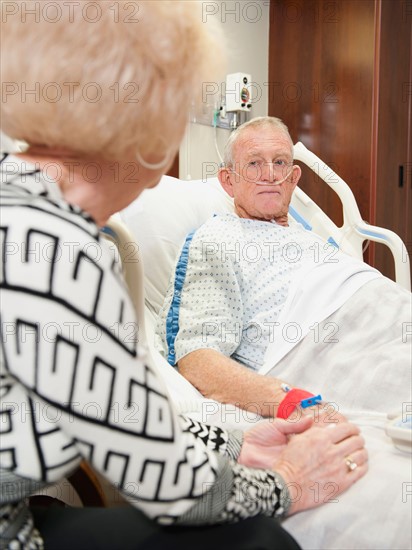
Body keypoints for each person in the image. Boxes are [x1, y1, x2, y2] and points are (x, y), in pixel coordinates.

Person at [0, 4, 368, 549]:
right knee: (263, 539)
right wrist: (287, 481)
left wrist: (238, 443)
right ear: (150, 133)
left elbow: (116, 411)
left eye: (280, 164)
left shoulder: (26, 207)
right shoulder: (57, 253)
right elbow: (166, 481)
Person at [156, 116, 411, 418]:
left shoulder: (311, 239)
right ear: (228, 180)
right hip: (332, 344)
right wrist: (288, 401)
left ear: (293, 178)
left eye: (280, 162)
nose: (270, 174)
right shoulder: (218, 239)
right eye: (253, 163)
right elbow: (197, 358)